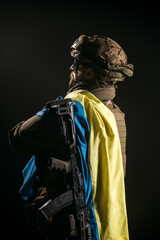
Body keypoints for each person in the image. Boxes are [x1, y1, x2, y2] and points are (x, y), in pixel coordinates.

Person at [9, 35, 134, 240]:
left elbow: (18, 137)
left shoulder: (69, 109)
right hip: (106, 228)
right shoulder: (116, 115)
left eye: (76, 64)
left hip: (70, 226)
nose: (71, 69)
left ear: (89, 72)